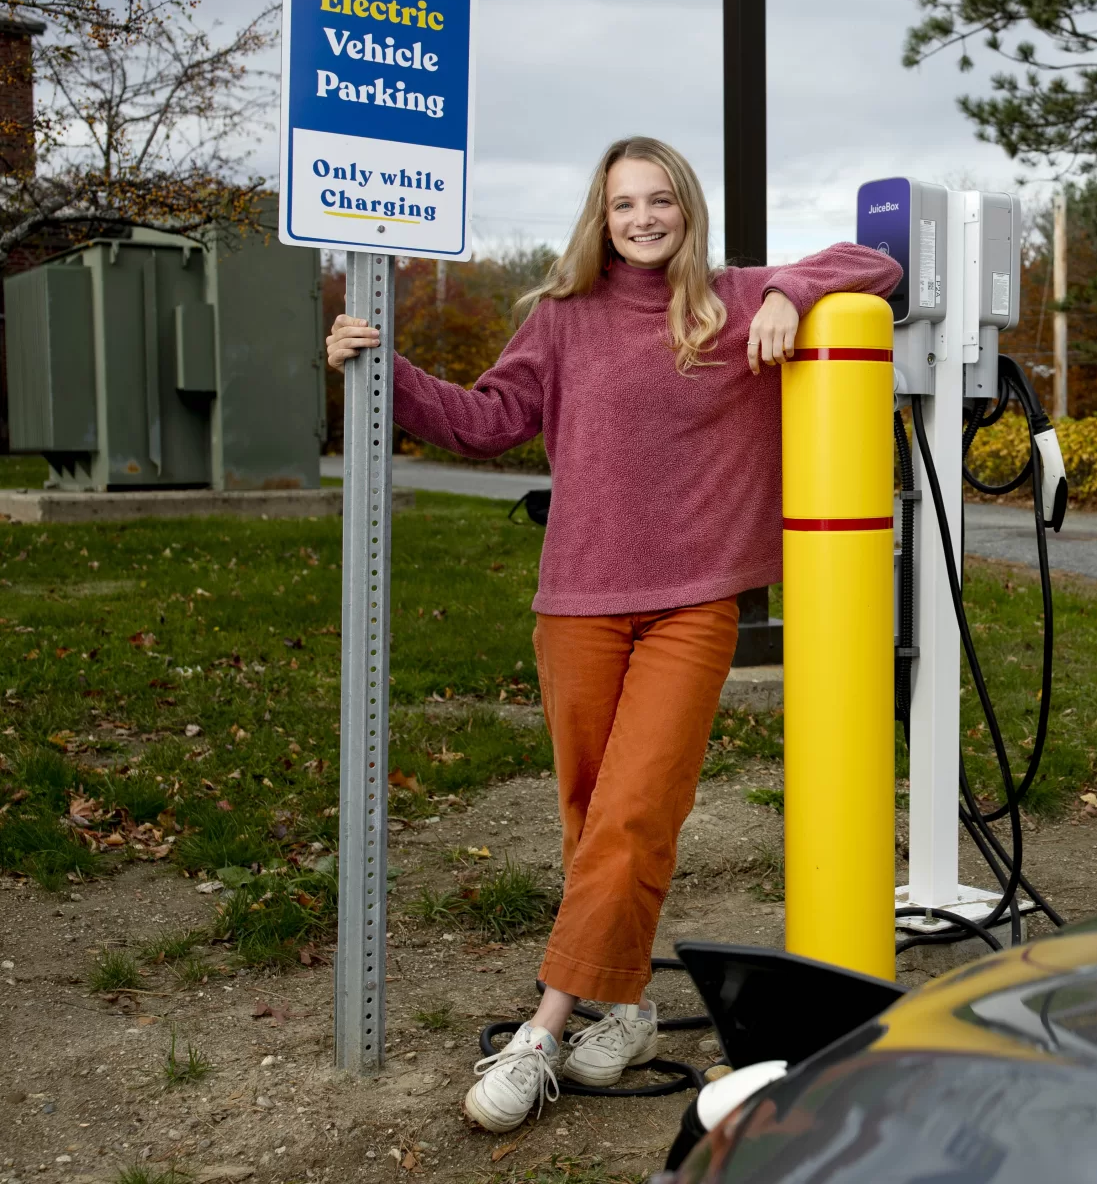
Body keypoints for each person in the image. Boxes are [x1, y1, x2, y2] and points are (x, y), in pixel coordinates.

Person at [324, 136, 901, 1132]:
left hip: (692, 605)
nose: (642, 217)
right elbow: (484, 421)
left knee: (632, 814)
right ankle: (625, 1008)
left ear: (687, 208)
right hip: (577, 605)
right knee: (592, 822)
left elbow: (876, 264)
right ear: (600, 216)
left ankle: (544, 1029)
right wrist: (383, 370)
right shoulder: (560, 320)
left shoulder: (727, 301)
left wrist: (787, 295)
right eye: (623, 202)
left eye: (660, 199)